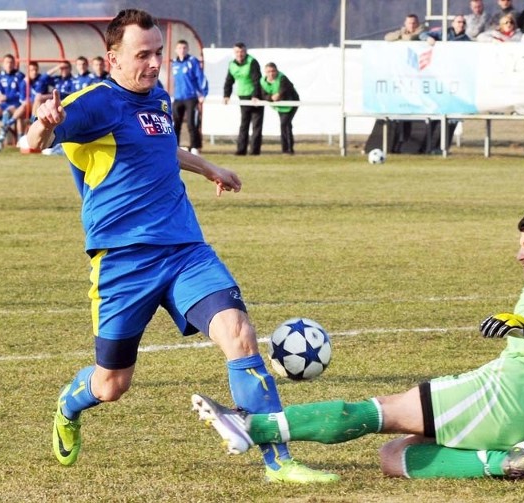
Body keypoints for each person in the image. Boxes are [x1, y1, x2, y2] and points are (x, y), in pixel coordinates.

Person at [26, 9, 337, 485]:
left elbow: (160, 146)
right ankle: (70, 403)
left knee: (239, 333)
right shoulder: (94, 104)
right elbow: (33, 142)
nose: (154, 63)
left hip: (185, 250)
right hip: (124, 263)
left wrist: (208, 167)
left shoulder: (159, 98)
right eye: (143, 55)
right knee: (112, 384)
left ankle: (278, 461)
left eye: (158, 53)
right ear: (113, 58)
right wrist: (43, 124)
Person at [193, 205, 524, 481]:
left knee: (380, 411)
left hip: (514, 389)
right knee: (393, 456)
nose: (521, 254)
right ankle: (506, 462)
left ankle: (251, 426)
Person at [223, 42, 263, 156]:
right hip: (243, 96)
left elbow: (257, 80)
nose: (240, 54)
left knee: (256, 124)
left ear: (245, 52)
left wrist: (256, 95)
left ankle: (255, 151)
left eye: (242, 52)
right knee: (244, 123)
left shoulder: (252, 62)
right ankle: (241, 150)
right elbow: (229, 81)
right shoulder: (232, 64)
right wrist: (226, 95)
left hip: (255, 96)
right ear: (234, 53)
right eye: (237, 52)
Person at [171, 39, 208, 155]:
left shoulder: (193, 61)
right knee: (175, 123)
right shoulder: (174, 63)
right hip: (178, 97)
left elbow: (201, 78)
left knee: (192, 123)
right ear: (176, 50)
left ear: (187, 49)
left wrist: (203, 93)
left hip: (191, 97)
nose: (182, 50)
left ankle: (195, 147)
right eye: (180, 48)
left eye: (184, 48)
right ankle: (174, 147)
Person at [260, 62, 299, 155]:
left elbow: (285, 89)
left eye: (273, 71)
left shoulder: (282, 78)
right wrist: (270, 98)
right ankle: (286, 149)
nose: (271, 73)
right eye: (268, 71)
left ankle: (288, 149)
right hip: (279, 106)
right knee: (285, 125)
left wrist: (279, 95)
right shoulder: (262, 81)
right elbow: (263, 94)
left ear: (276, 71)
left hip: (290, 104)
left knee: (285, 124)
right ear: (265, 72)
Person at [0, 54, 28, 142]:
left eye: (11, 62)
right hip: (4, 104)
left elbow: (21, 94)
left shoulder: (20, 76)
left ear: (14, 64)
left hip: (16, 104)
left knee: (7, 113)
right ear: (3, 64)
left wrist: (7, 97)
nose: (9, 64)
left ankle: (2, 140)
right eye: (7, 62)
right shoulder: (1, 76)